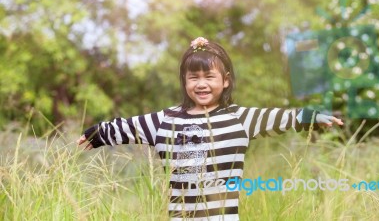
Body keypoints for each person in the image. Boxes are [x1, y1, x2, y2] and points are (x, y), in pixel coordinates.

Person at [77, 37, 343, 220]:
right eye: (193, 78)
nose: (201, 84)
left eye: (209, 77)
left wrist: (312, 116)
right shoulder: (165, 121)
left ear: (225, 81)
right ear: (184, 81)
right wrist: (97, 134)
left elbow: (278, 117)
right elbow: (128, 126)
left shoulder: (240, 118)